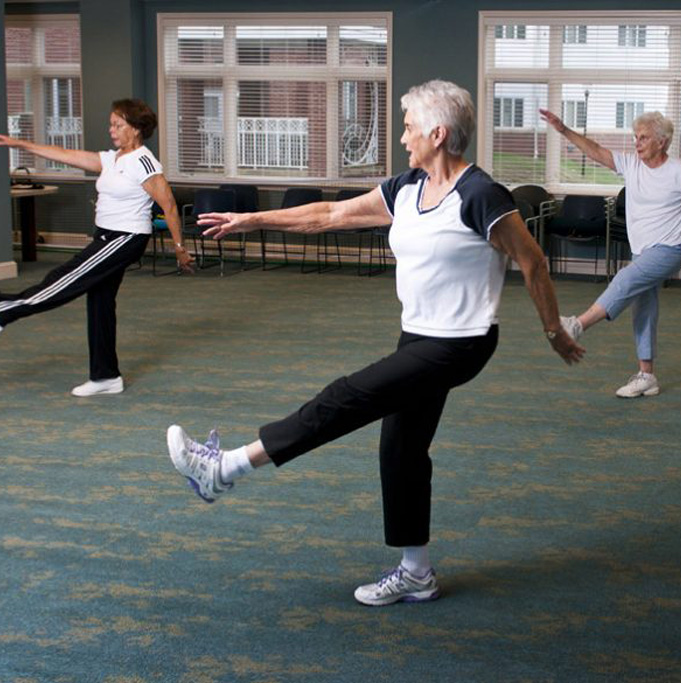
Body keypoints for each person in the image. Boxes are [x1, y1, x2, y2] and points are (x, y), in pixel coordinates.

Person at [166, 80, 585, 606]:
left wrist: (554, 331)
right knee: (402, 448)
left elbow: (533, 261)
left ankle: (223, 469)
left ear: (439, 133)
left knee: (346, 397)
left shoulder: (480, 195)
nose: (404, 137)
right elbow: (329, 215)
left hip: (460, 343)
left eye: (410, 127)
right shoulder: (407, 187)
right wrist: (253, 219)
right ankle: (416, 572)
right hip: (417, 335)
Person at [0, 99, 194, 396]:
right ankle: (106, 376)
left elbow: (167, 204)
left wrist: (180, 248)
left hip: (124, 238)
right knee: (100, 302)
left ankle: (5, 310)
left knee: (64, 279)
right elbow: (66, 154)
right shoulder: (113, 158)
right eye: (111, 124)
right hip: (105, 236)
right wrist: (19, 144)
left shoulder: (144, 161)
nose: (111, 129)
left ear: (137, 128)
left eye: (118, 125)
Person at [539, 108, 681, 398]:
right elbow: (596, 151)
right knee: (644, 307)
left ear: (661, 142)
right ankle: (646, 375)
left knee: (625, 280)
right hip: (643, 250)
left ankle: (576, 325)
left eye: (644, 138)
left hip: (672, 247)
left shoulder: (680, 172)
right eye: (635, 137)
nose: (637, 143)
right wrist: (563, 130)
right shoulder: (631, 164)